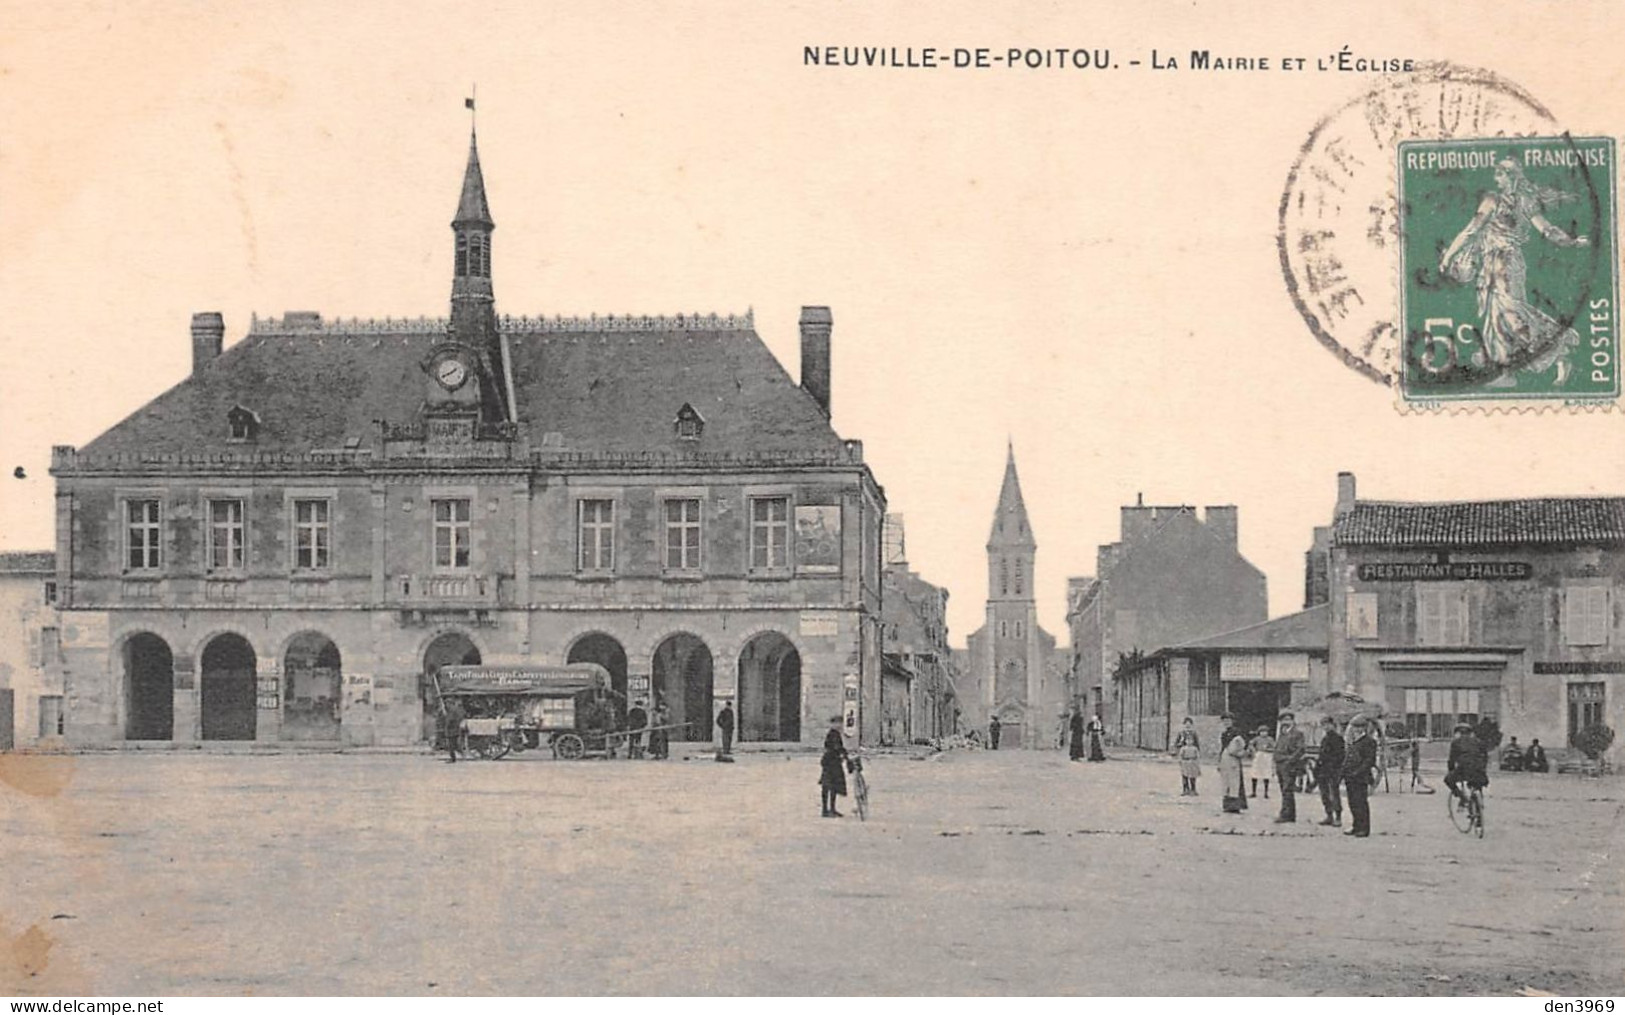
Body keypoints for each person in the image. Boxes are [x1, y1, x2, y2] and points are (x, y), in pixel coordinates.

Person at [1438, 159, 1589, 386]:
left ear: (1512, 177)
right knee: (1497, 313)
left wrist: (1449, 255)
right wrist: (1572, 242)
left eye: (1500, 175)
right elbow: (1547, 230)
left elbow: (1471, 230)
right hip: (1496, 263)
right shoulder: (1519, 201)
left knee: (1509, 313)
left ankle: (1550, 351)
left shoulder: (1500, 201)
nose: (1496, 179)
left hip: (1505, 263)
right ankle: (1508, 367)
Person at [1342, 716, 1379, 837]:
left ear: (1364, 728)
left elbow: (1369, 761)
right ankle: (1356, 825)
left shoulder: (1369, 742)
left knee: (1361, 802)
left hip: (1361, 777)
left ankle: (1364, 828)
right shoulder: (1352, 741)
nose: (1356, 730)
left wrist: (1357, 772)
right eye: (1354, 727)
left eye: (1359, 727)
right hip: (1350, 776)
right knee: (1352, 802)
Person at [1445, 721, 1490, 807]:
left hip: (1464, 770)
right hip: (1479, 769)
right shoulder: (1478, 742)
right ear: (1470, 733)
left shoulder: (1456, 742)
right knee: (1477, 782)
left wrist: (1450, 771)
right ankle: (1480, 803)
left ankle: (1462, 798)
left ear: (1459, 733)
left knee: (1448, 780)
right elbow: (1485, 757)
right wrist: (1483, 769)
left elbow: (1451, 760)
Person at [1273, 712, 1306, 823]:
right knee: (1283, 789)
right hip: (1279, 764)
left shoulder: (1297, 734)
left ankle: (1286, 814)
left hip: (1289, 765)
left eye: (1288, 719)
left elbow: (1300, 749)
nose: (1285, 722)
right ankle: (1290, 814)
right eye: (1283, 720)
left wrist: (1290, 760)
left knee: (1287, 789)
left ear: (1292, 721)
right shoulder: (1282, 733)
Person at [1316, 716, 1345, 826]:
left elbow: (1340, 756)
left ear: (1333, 725)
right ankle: (1329, 815)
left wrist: (1333, 766)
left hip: (1333, 770)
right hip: (1323, 771)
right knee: (1324, 794)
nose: (1326, 727)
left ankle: (1338, 817)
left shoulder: (1338, 738)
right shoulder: (1324, 739)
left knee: (1334, 793)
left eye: (1328, 724)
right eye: (1323, 725)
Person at [820, 715, 849, 817]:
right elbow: (836, 747)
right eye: (838, 723)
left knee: (832, 786)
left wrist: (843, 752)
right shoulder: (833, 734)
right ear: (833, 724)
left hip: (833, 761)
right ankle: (826, 810)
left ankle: (831, 809)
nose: (840, 725)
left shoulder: (835, 734)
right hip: (830, 762)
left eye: (840, 723)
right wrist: (843, 753)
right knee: (828, 786)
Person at [1219, 716, 1249, 814]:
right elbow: (1222, 747)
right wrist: (1219, 760)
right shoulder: (1224, 734)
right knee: (1226, 781)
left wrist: (1240, 752)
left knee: (1235, 781)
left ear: (1232, 721)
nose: (1226, 722)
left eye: (1228, 721)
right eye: (1224, 721)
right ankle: (1227, 805)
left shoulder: (1237, 732)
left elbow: (1244, 743)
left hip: (1234, 759)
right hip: (1225, 758)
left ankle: (1236, 805)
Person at [1173, 717, 1201, 796]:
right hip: (1185, 756)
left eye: (1189, 725)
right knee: (1184, 774)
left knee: (1193, 774)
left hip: (1192, 757)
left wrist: (1197, 754)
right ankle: (1185, 789)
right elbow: (1176, 743)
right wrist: (1180, 746)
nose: (1188, 727)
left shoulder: (1194, 733)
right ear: (1184, 725)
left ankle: (1193, 789)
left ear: (1192, 725)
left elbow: (1197, 744)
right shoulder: (1181, 733)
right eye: (1186, 725)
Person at [1251, 725, 1276, 799]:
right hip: (1258, 756)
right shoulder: (1257, 739)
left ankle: (1266, 793)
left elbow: (1274, 748)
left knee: (1266, 774)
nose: (1263, 733)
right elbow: (1251, 744)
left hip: (1266, 757)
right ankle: (1254, 792)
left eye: (1265, 732)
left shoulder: (1270, 739)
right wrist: (1254, 751)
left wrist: (1268, 749)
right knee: (1255, 773)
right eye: (1262, 732)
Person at [440, 696, 466, 763]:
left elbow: (450, 719)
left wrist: (448, 722)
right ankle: (460, 756)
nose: (446, 705)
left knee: (452, 746)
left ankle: (454, 758)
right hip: (452, 730)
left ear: (451, 703)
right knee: (453, 745)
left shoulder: (453, 710)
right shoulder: (451, 710)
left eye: (448, 703)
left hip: (452, 730)